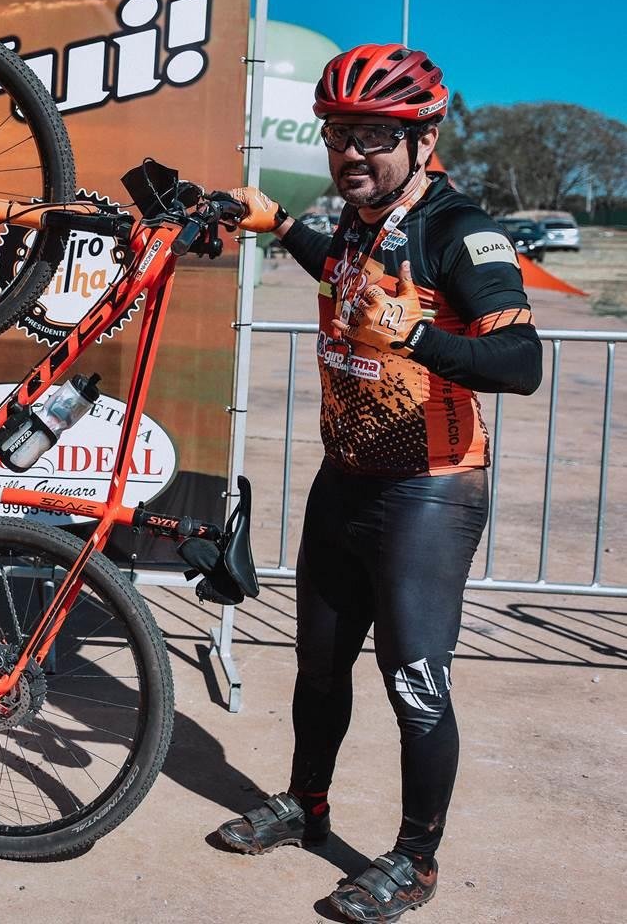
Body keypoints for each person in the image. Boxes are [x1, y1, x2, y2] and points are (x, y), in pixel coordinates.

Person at [216, 44, 543, 922]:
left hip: (429, 491)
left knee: (416, 684)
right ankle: (306, 806)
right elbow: (342, 271)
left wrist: (417, 338)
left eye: (372, 136)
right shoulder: (361, 221)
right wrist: (279, 224)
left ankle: (415, 860)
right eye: (338, 135)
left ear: (424, 138)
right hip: (346, 479)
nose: (350, 153)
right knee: (318, 668)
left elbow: (522, 360)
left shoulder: (460, 230)